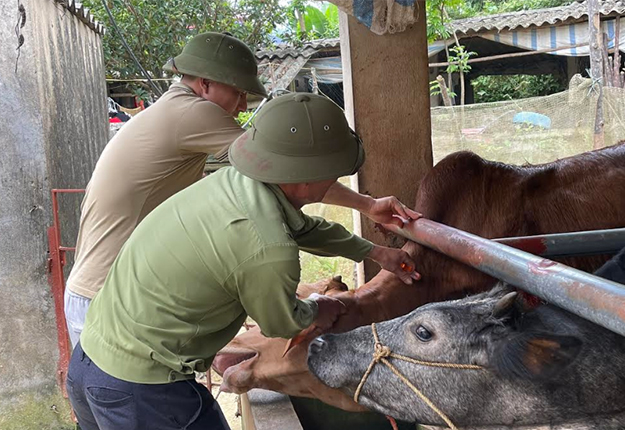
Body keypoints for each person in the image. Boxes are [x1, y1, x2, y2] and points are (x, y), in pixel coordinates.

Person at [66, 92, 421, 430]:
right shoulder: (267, 248)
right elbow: (282, 323)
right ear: (305, 178)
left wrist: (373, 252)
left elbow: (303, 228)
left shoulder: (237, 184)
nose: (337, 177)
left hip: (90, 367)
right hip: (143, 392)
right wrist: (321, 308)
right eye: (333, 168)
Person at [65, 31, 420, 348]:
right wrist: (369, 205)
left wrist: (371, 248)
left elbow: (290, 200)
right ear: (205, 84)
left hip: (100, 288)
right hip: (108, 298)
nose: (239, 106)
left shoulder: (171, 114)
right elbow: (290, 173)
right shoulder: (194, 115)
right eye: (237, 93)